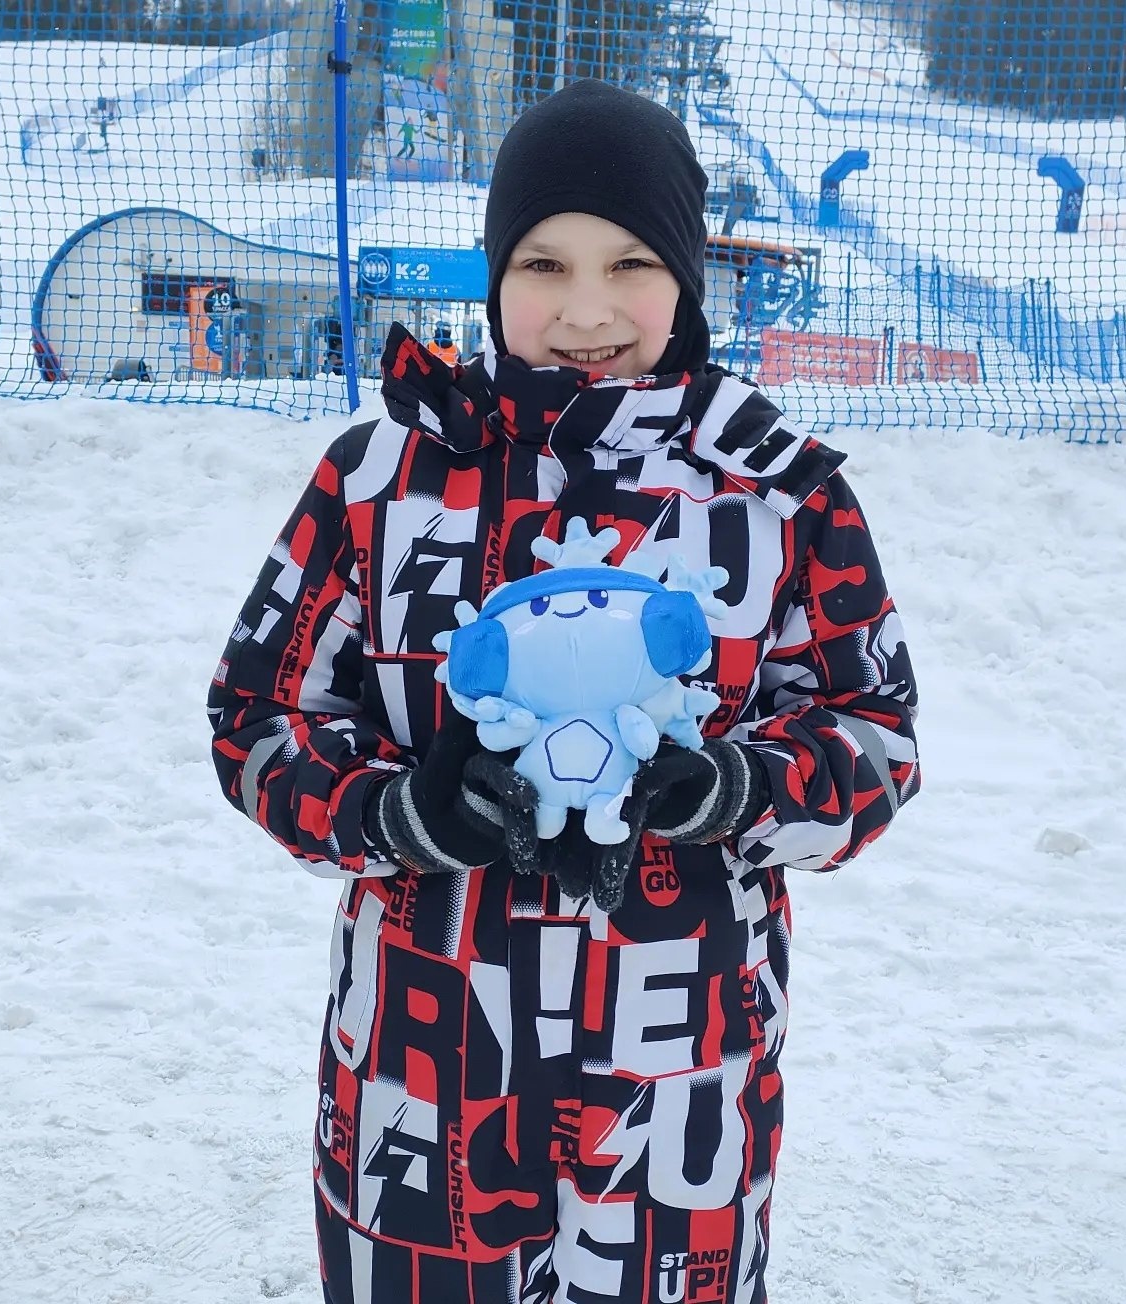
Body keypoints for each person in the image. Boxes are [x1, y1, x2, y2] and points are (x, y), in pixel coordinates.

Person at [207, 78, 920, 1304]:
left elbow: (875, 735)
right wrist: (390, 811)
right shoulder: (381, 477)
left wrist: (736, 787)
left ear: (685, 276)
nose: (585, 310)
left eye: (630, 262)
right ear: (493, 275)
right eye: (543, 263)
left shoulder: (773, 492)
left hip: (677, 1073)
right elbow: (258, 714)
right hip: (424, 1066)